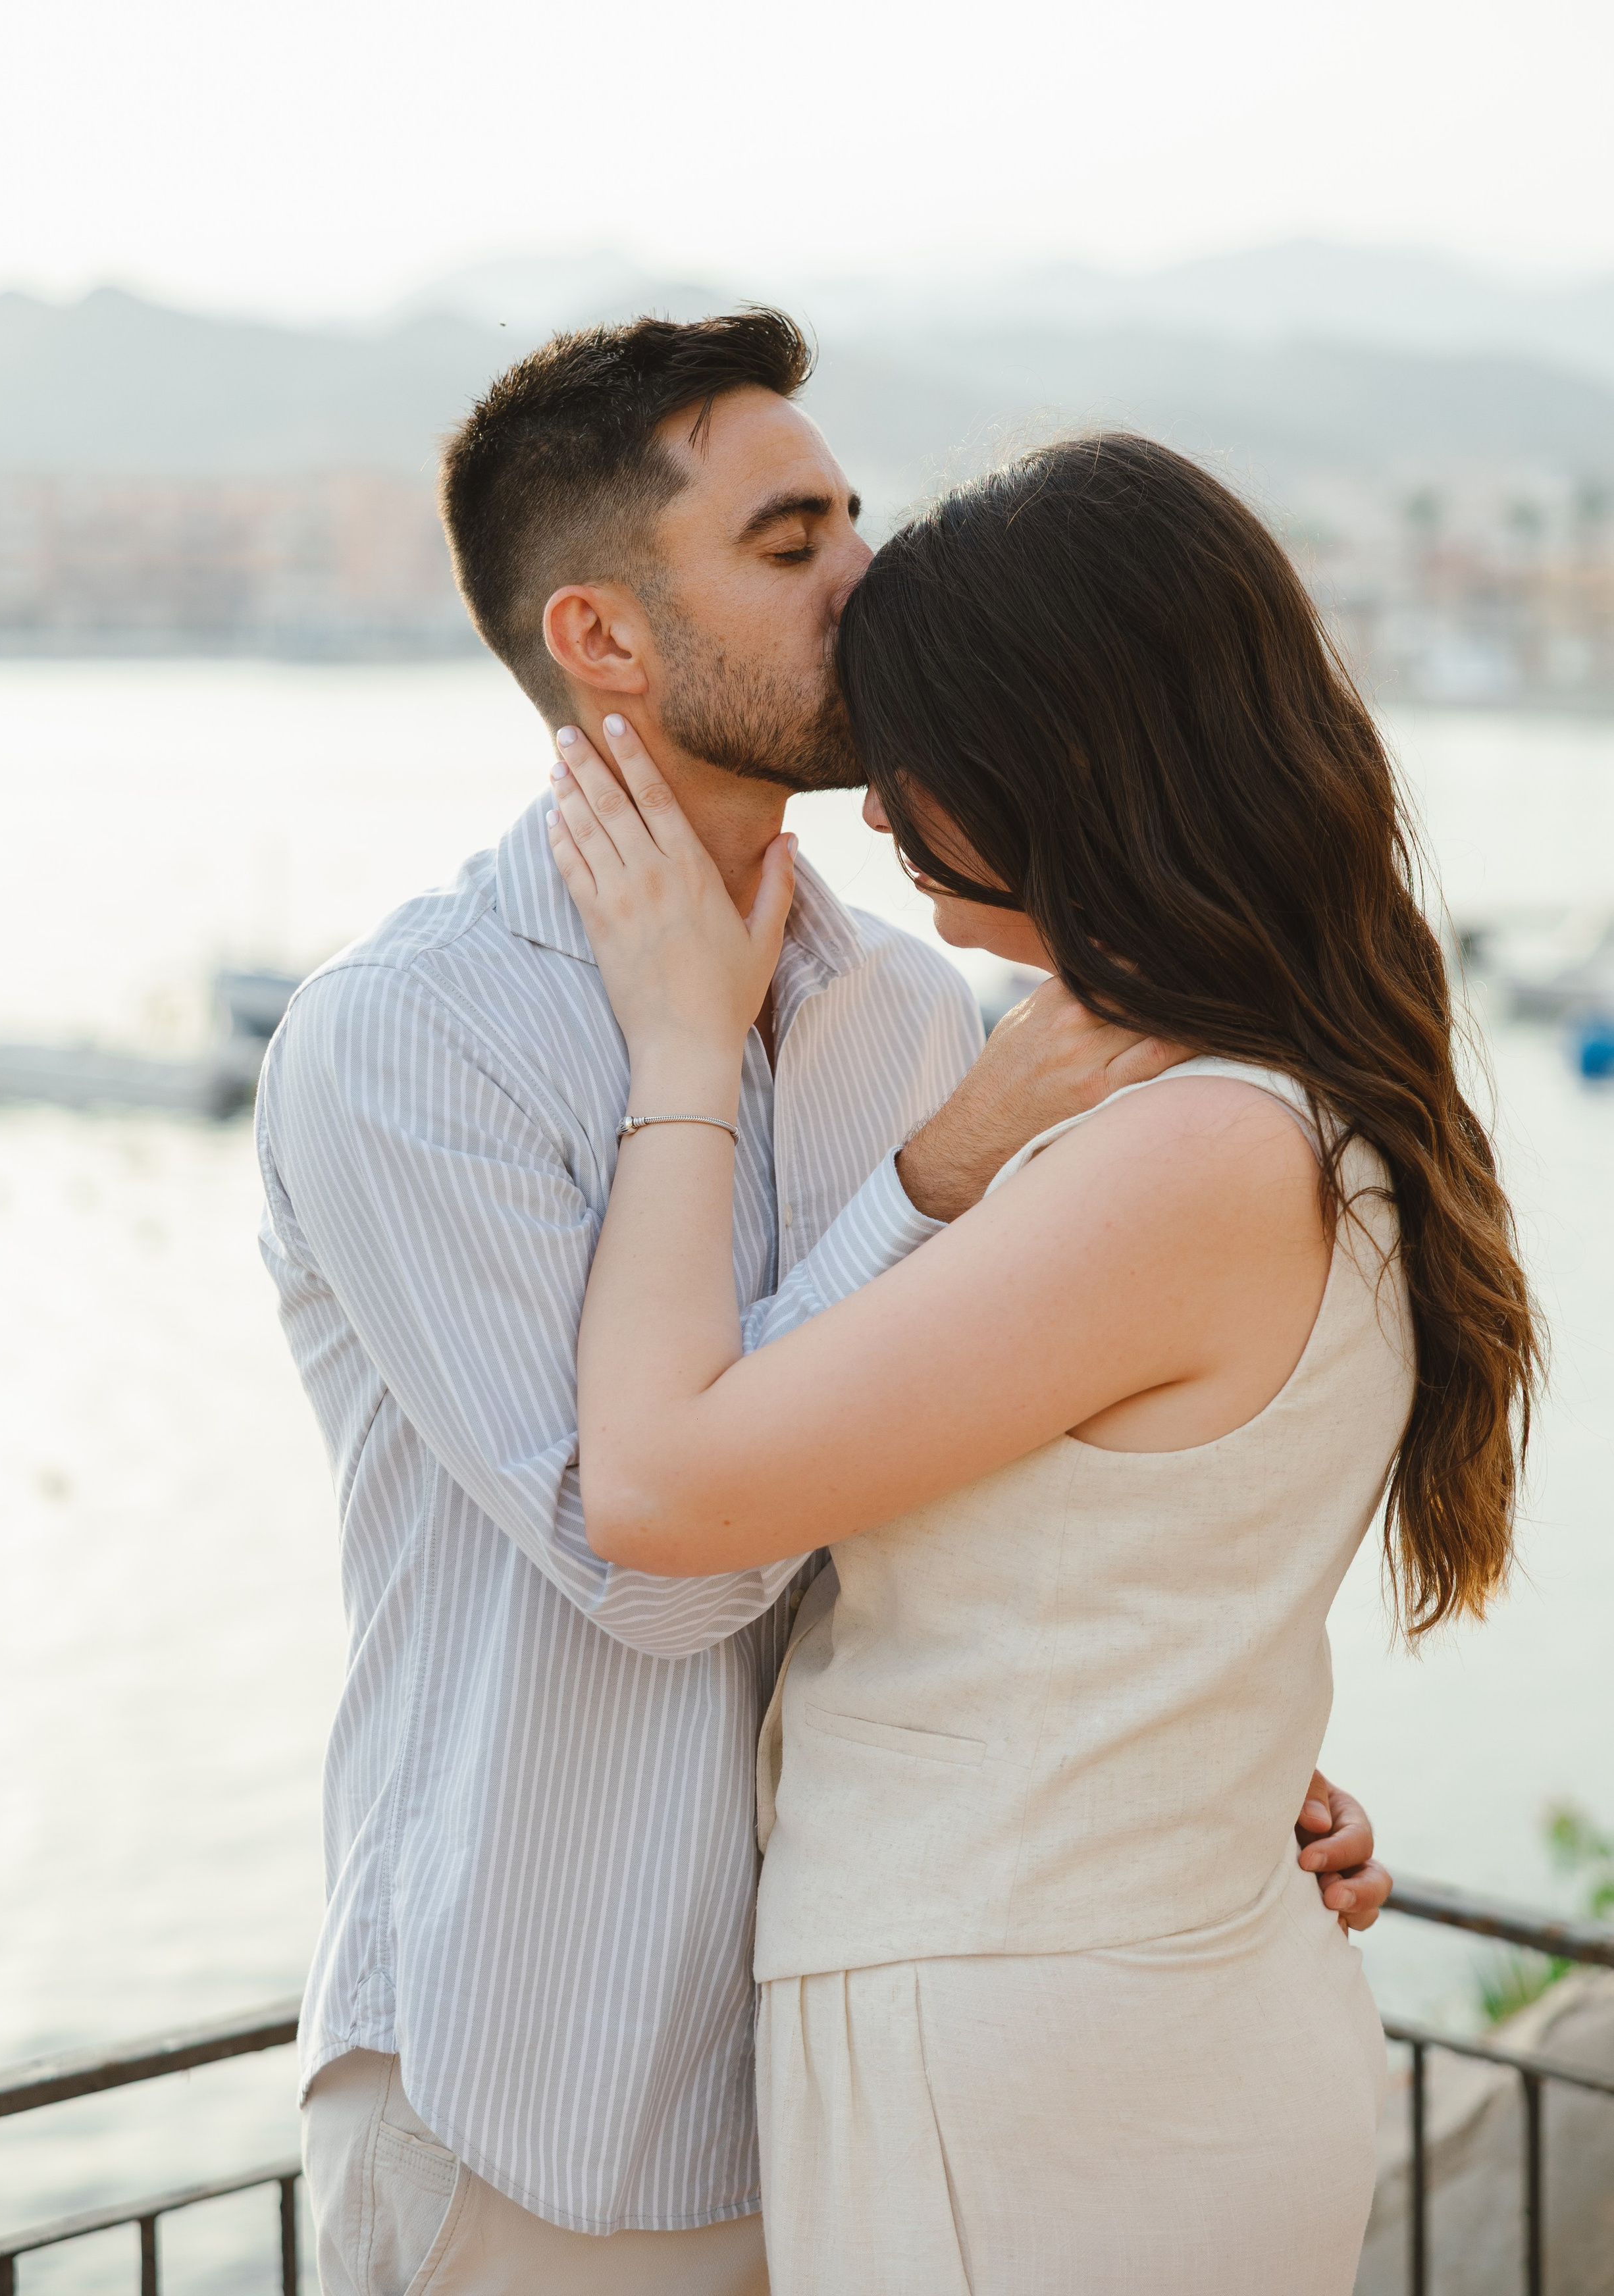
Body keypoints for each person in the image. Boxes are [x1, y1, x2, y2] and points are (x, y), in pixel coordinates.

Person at [257, 319, 1393, 2296]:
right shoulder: (411, 1045)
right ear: (605, 640)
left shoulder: (913, 1008)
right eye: (791, 544)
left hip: (889, 2043)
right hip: (555, 2099)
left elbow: (965, 1483)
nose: (865, 574)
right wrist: (932, 1178)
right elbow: (674, 1563)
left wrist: (1184, 1758)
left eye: (854, 514)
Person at [547, 431, 1541, 2295]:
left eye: (907, 755)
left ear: (1048, 763)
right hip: (1108, 2012)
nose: (871, 810)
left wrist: (683, 1054)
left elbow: (663, 1489)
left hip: (1034, 2057)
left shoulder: (1196, 1151)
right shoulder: (1263, 1107)